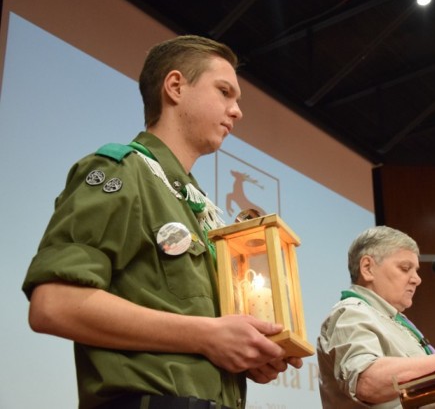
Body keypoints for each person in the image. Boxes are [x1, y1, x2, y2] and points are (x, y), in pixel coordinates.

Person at [22, 35, 302, 409]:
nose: (237, 111)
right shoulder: (122, 171)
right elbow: (53, 304)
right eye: (224, 92)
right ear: (175, 87)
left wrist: (248, 353)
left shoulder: (200, 208)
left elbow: (201, 329)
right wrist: (206, 336)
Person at [317, 226, 435, 408]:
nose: (417, 279)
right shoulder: (351, 313)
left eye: (416, 270)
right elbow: (368, 382)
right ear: (367, 268)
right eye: (404, 268)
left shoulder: (396, 322)